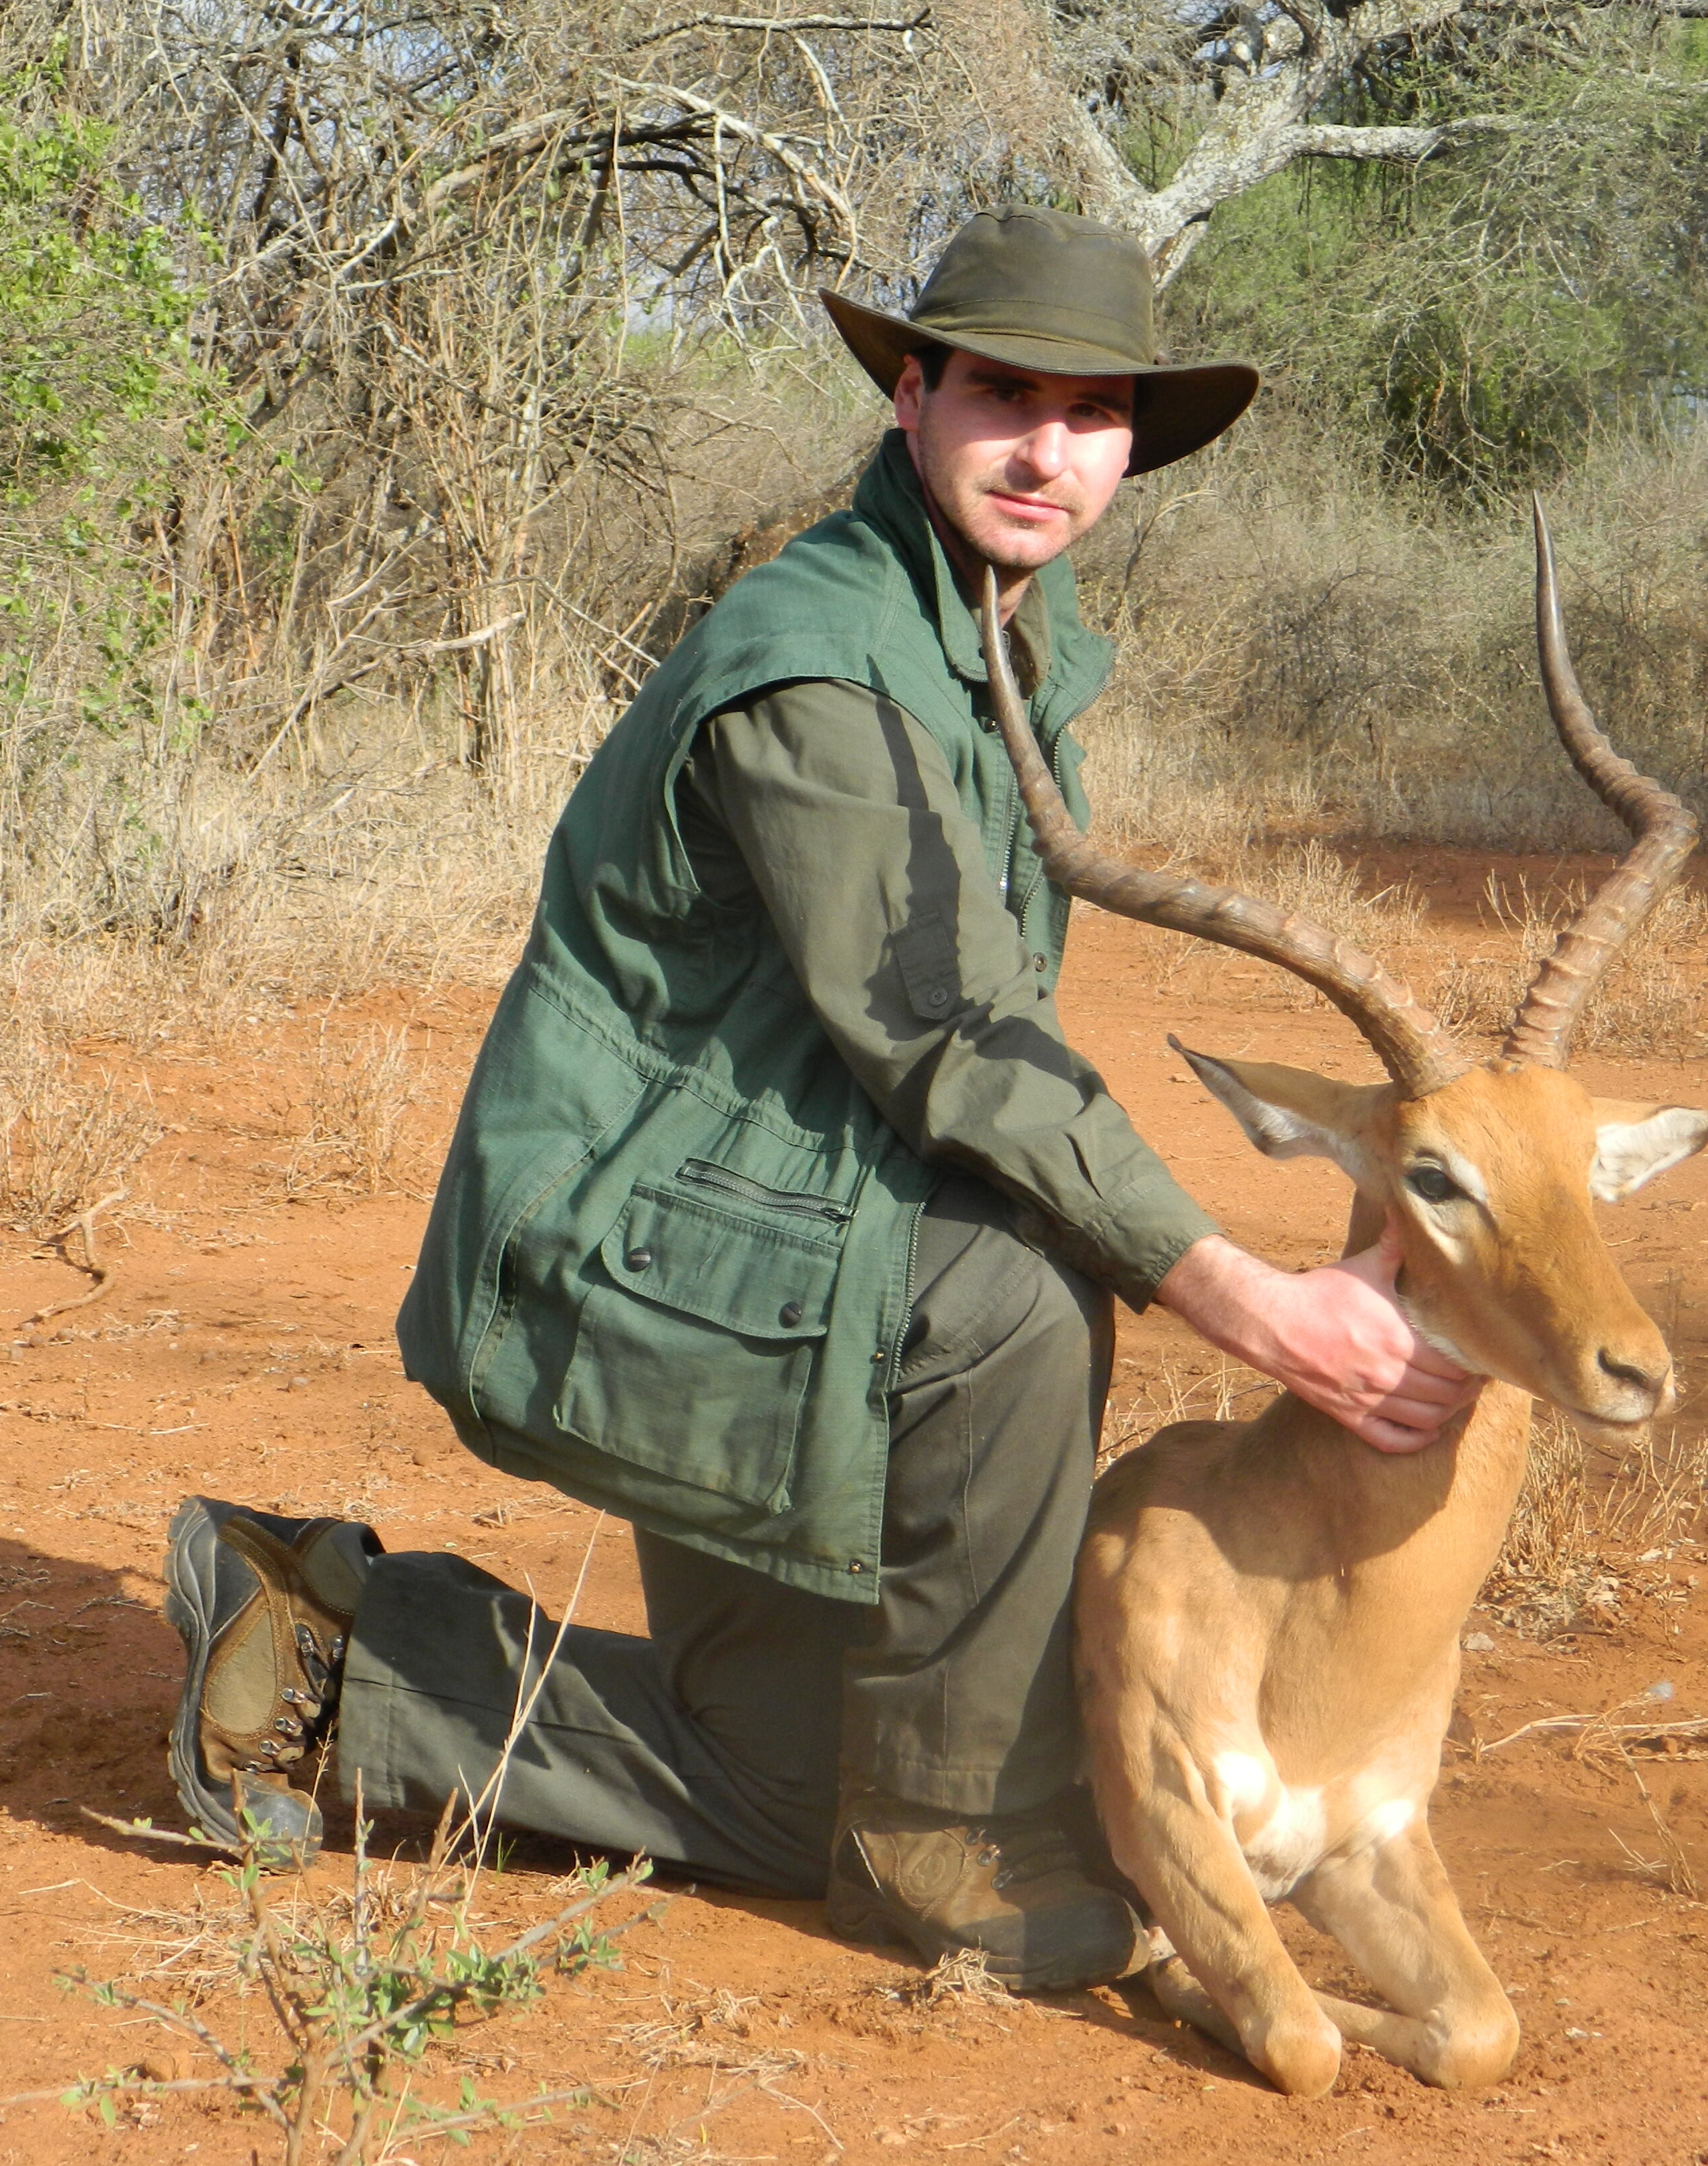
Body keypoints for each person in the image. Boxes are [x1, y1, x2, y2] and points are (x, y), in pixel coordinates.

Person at [162, 208, 1480, 1994]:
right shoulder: (823, 657)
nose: (1048, 449)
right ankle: (963, 1856)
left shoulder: (1001, 636)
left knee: (785, 1802)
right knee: (1015, 1293)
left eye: (1096, 415)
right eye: (1005, 393)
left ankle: (323, 1642)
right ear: (914, 392)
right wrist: (1248, 1298)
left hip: (782, 1244)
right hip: (651, 1257)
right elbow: (947, 1034)